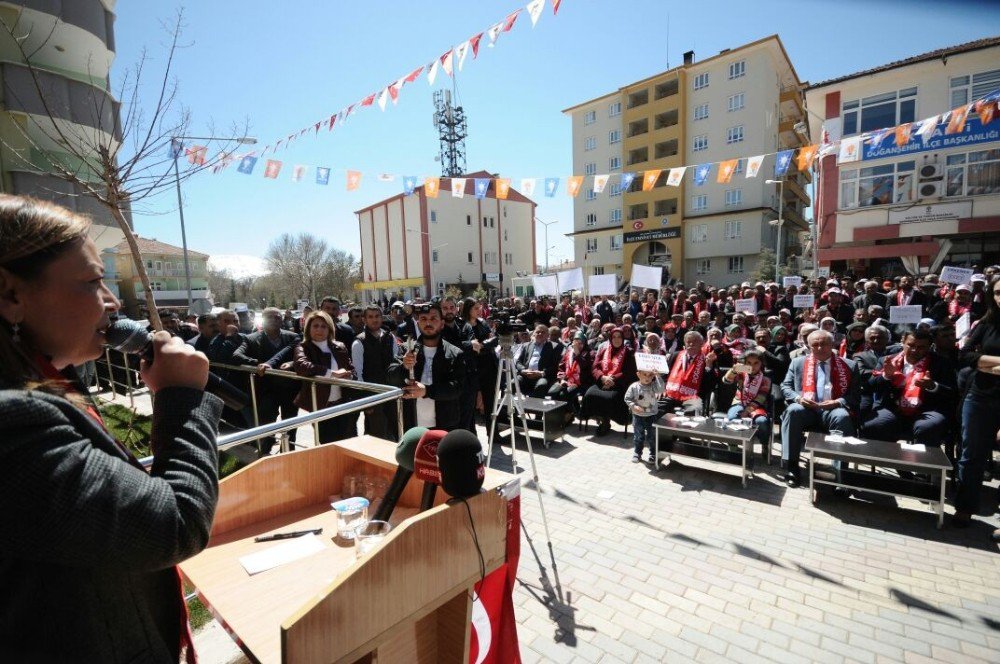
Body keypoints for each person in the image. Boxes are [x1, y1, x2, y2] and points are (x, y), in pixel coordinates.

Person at [0, 194, 222, 661]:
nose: (112, 301)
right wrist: (181, 399)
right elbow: (173, 525)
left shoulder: (47, 380)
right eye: (93, 281)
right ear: (11, 294)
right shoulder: (14, 422)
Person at [780, 330, 861, 487]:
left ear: (832, 345)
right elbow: (786, 386)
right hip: (806, 408)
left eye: (823, 344)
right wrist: (798, 398)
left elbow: (855, 395)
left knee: (842, 417)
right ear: (809, 346)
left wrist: (837, 402)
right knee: (792, 411)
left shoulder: (849, 365)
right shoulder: (798, 363)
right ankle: (792, 467)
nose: (819, 348)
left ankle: (839, 473)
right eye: (814, 345)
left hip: (832, 408)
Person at [953, 276, 1000, 537]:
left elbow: (976, 359)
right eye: (997, 292)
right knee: (971, 455)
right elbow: (965, 355)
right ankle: (965, 507)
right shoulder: (986, 323)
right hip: (980, 396)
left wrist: (986, 363)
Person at [862, 329, 956, 449]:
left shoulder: (941, 363)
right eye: (910, 345)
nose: (914, 350)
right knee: (876, 424)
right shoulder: (888, 360)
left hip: (927, 410)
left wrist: (933, 386)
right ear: (903, 342)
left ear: (929, 347)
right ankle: (893, 461)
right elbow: (870, 386)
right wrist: (886, 376)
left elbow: (951, 392)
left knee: (927, 428)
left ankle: (923, 465)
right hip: (893, 408)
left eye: (921, 347)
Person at [233, 307, 301, 456]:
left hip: (290, 389)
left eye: (277, 317)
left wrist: (291, 363)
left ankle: (288, 451)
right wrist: (257, 362)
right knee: (267, 421)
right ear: (262, 320)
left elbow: (301, 357)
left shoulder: (293, 337)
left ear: (282, 319)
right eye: (269, 317)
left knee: (290, 422)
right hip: (266, 390)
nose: (274, 320)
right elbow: (237, 356)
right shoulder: (251, 339)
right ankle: (265, 450)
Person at [388, 302, 465, 431]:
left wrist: (427, 391)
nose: (428, 323)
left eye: (433, 318)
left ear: (441, 324)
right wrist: (404, 366)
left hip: (444, 426)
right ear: (418, 324)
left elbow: (457, 388)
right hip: (411, 425)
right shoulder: (407, 349)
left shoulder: (454, 353)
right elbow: (391, 377)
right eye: (423, 319)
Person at [292, 310, 356, 444]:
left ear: (329, 328)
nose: (319, 330)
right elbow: (301, 365)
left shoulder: (339, 346)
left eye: (323, 326)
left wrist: (349, 375)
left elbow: (351, 369)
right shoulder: (303, 347)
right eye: (315, 326)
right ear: (308, 328)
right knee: (328, 443)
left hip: (342, 402)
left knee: (348, 441)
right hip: (321, 405)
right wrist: (331, 373)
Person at [351, 304, 399, 441]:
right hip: (373, 396)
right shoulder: (359, 342)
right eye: (370, 317)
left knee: (394, 432)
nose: (375, 320)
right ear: (364, 320)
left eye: (377, 316)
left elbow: (397, 362)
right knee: (375, 435)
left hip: (391, 393)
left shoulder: (390, 338)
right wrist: (366, 402)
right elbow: (358, 374)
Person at [583, 327, 636, 436]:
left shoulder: (629, 352)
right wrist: (602, 377)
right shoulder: (603, 350)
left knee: (610, 398)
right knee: (589, 395)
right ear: (610, 338)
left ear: (623, 338)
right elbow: (595, 368)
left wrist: (613, 379)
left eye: (619, 337)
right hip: (602, 381)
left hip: (619, 383)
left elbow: (629, 372)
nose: (617, 339)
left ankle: (607, 421)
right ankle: (601, 419)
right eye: (614, 337)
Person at [723, 348, 772, 452]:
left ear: (761, 364)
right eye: (748, 363)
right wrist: (733, 371)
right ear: (744, 363)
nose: (752, 366)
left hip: (757, 406)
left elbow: (760, 398)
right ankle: (733, 447)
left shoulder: (765, 379)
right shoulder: (742, 373)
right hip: (739, 402)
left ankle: (764, 444)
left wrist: (747, 411)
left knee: (761, 421)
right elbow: (726, 381)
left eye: (756, 363)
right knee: (732, 417)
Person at [660, 331, 716, 416]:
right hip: (670, 393)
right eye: (688, 342)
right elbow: (664, 375)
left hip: (693, 396)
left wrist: (708, 367)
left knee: (694, 409)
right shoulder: (675, 355)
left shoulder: (707, 359)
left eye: (695, 341)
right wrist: (662, 389)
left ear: (701, 343)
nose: (691, 344)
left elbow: (710, 385)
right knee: (655, 407)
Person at [625, 369, 665, 464]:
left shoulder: (654, 386)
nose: (647, 377)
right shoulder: (634, 387)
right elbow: (627, 398)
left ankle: (653, 454)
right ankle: (637, 452)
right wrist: (634, 406)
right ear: (638, 374)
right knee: (638, 436)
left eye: (650, 375)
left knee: (652, 436)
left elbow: (661, 389)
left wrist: (658, 377)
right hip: (638, 416)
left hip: (651, 416)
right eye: (645, 375)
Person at [549, 331, 592, 419]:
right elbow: (561, 367)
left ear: (585, 343)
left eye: (580, 343)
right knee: (552, 392)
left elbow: (585, 366)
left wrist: (577, 354)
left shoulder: (589, 353)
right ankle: (565, 412)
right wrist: (562, 379)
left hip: (581, 382)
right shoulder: (569, 352)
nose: (578, 345)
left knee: (564, 394)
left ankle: (571, 413)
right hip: (567, 379)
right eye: (576, 342)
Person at [514, 323, 561, 397]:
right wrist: (523, 370)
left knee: (541, 385)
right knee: (513, 383)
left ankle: (534, 408)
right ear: (533, 334)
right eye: (537, 332)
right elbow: (518, 362)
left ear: (547, 335)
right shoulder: (526, 345)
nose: (540, 334)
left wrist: (541, 373)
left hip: (542, 376)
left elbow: (555, 366)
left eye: (543, 332)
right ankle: (509, 407)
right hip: (526, 375)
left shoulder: (554, 347)